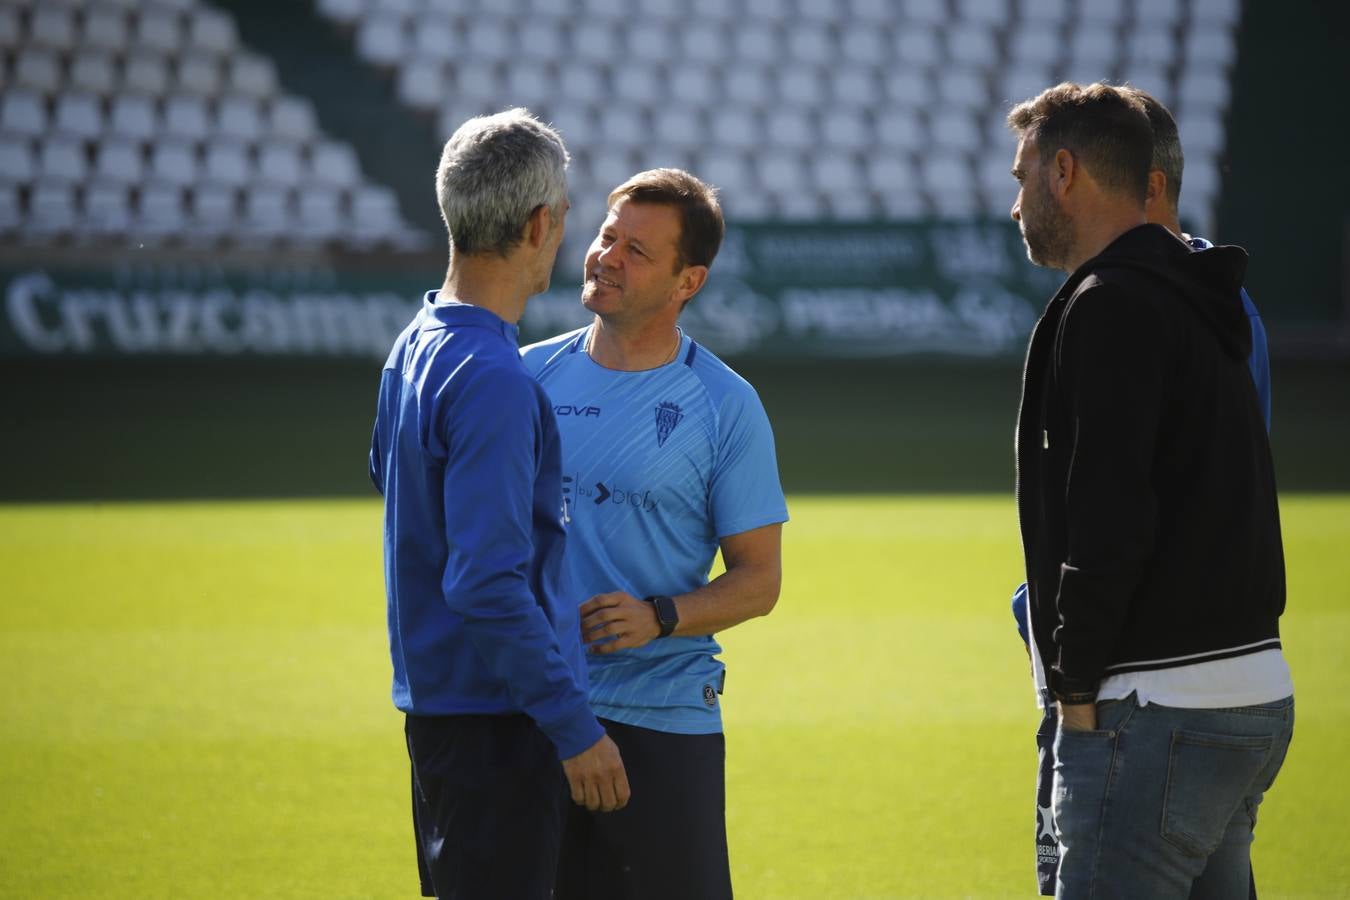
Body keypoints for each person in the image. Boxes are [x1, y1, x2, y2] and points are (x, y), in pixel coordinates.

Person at [1007, 82, 1294, 899]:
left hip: (1151, 706)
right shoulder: (1209, 296)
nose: (1016, 201)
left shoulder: (1112, 303)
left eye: (1022, 175)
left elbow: (1110, 516)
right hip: (1246, 696)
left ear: (1065, 171)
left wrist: (1072, 694)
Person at [368, 108, 629, 900]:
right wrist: (573, 725)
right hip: (497, 723)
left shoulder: (417, 342)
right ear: (540, 223)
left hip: (441, 710)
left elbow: (390, 478)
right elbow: (484, 581)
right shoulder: (494, 377)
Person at [520, 168, 788, 900]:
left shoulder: (725, 404)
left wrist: (659, 617)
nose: (607, 256)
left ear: (687, 281)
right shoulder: (525, 380)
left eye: (637, 250)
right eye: (607, 236)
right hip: (535, 711)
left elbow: (760, 580)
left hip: (663, 718)